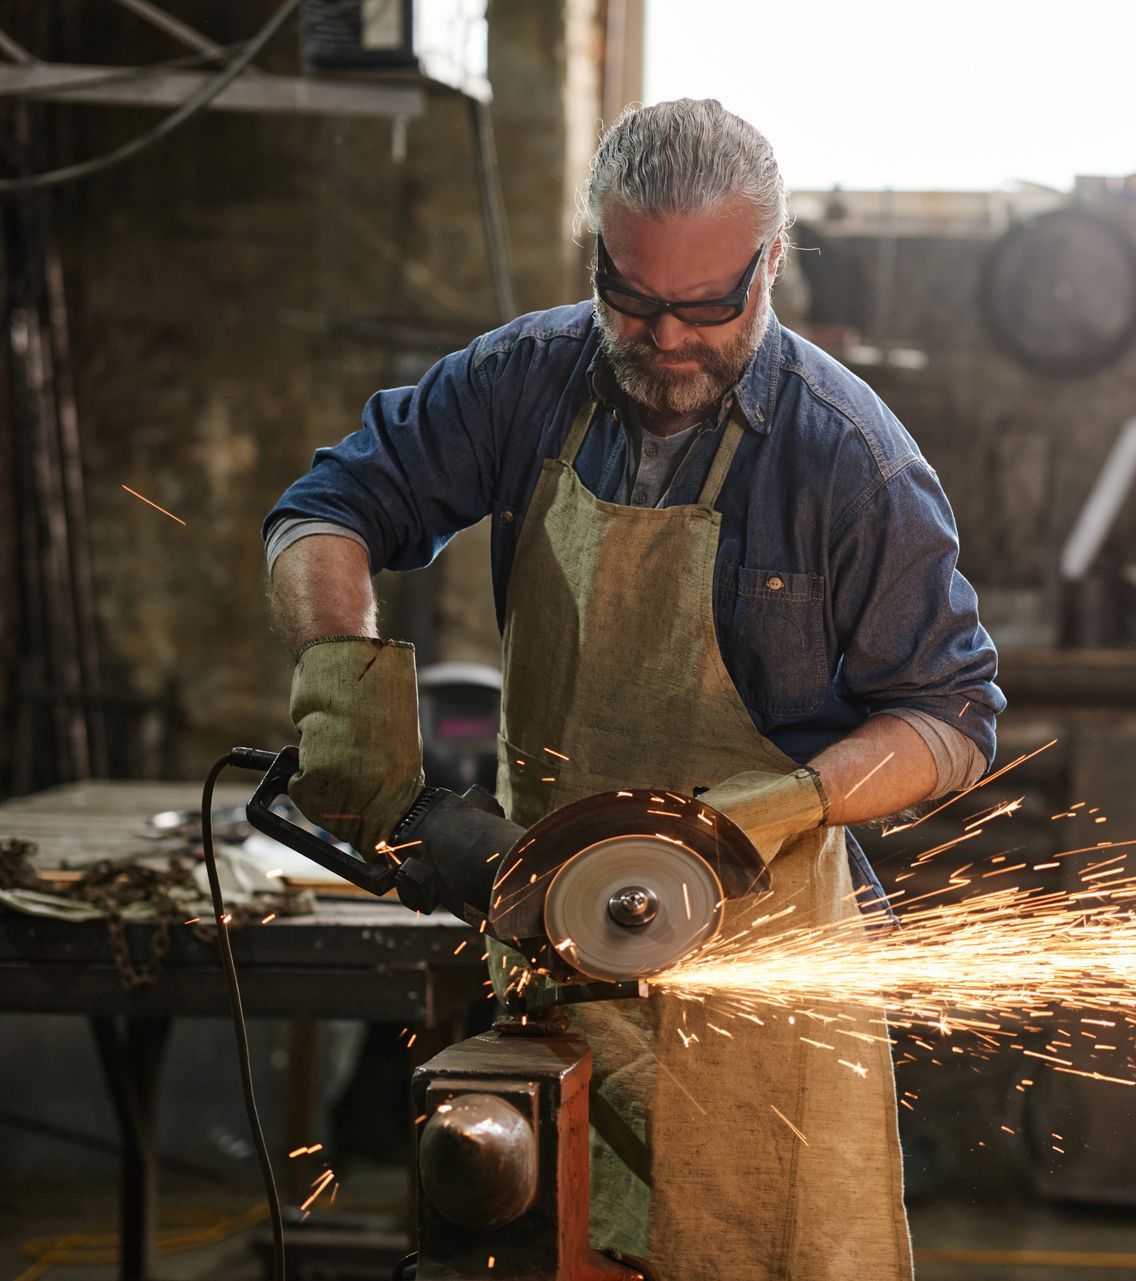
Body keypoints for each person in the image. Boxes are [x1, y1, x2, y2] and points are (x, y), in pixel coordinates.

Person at [262, 98, 1003, 1279]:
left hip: (763, 974)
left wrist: (776, 807)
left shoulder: (848, 458)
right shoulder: (526, 379)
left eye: (707, 305)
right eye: (632, 296)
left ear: (769, 265)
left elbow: (952, 718)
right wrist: (336, 685)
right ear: (596, 252)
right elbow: (326, 511)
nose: (665, 337)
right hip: (552, 935)